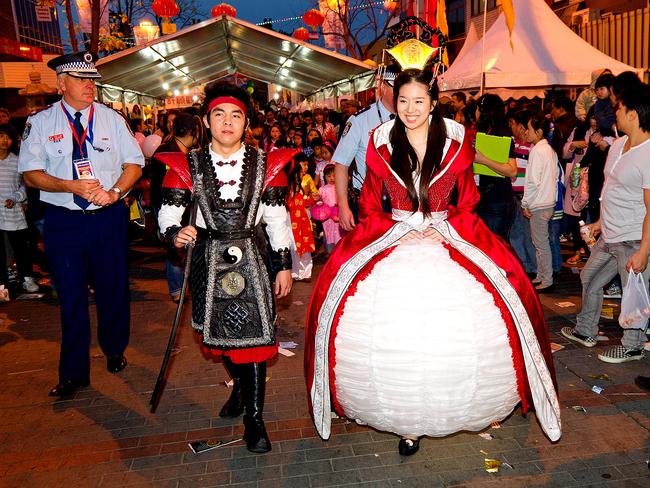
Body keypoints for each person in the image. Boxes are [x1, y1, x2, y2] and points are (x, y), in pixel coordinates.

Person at [305, 51, 560, 458]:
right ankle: (408, 425)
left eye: (419, 101)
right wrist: (396, 230)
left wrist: (443, 228)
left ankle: (453, 408)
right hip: (395, 240)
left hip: (447, 235)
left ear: (433, 101)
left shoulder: (458, 142)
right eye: (403, 100)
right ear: (394, 99)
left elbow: (468, 201)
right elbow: (371, 203)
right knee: (394, 335)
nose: (410, 109)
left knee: (476, 317)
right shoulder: (379, 140)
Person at [157, 81, 294, 453]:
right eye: (220, 114)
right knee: (218, 342)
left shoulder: (269, 165)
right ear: (207, 120)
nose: (228, 122)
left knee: (253, 342)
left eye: (236, 115)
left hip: (251, 258)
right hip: (206, 261)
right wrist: (175, 233)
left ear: (245, 121)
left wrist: (283, 265)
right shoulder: (186, 164)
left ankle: (254, 419)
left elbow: (278, 220)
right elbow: (168, 213)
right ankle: (240, 392)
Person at [18, 51, 144, 397]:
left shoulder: (112, 120)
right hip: (64, 221)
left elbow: (134, 164)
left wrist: (116, 192)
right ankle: (74, 372)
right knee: (70, 296)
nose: (90, 86)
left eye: (93, 81)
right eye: (82, 80)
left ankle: (115, 348)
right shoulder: (41, 123)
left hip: (107, 217)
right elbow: (30, 175)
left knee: (113, 288)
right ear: (61, 84)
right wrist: (69, 185)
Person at [562, 83, 650, 364]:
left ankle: (633, 345)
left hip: (633, 236)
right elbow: (612, 188)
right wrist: (599, 221)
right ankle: (586, 329)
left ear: (634, 114)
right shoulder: (620, 144)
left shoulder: (648, 154)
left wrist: (644, 251)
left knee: (632, 293)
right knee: (589, 278)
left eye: (620, 109)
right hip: (609, 233)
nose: (615, 114)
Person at [334, 66, 397, 231]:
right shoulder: (360, 120)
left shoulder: (410, 117)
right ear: (382, 86)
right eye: (395, 88)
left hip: (403, 202)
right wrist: (343, 206)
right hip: (370, 202)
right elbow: (341, 165)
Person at [152, 113, 200, 302]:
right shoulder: (165, 153)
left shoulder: (191, 154)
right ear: (191, 132)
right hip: (166, 207)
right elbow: (156, 186)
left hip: (186, 209)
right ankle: (177, 288)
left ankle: (186, 284)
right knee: (174, 248)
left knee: (186, 247)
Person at [521, 112, 560, 293]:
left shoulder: (537, 151)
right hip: (548, 202)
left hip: (539, 203)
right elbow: (558, 176)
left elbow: (532, 182)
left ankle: (547, 279)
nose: (526, 132)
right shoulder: (549, 150)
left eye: (528, 129)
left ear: (538, 131)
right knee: (541, 242)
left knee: (541, 243)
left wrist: (525, 203)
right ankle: (543, 276)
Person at [0, 124, 39, 294]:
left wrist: (16, 198)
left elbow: (25, 185)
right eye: (1, 136)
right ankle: (2, 284)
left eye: (8, 137)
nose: (5, 140)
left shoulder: (17, 161)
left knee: (21, 247)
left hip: (13, 211)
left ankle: (26, 278)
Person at [474, 94, 518, 240]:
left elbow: (512, 171)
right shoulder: (484, 133)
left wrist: (483, 160)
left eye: (477, 108)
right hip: (484, 197)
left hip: (498, 200)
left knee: (496, 245)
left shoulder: (502, 135)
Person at [507, 109, 537, 276]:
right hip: (513, 195)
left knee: (528, 234)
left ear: (521, 126)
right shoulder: (510, 142)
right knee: (516, 233)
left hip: (526, 197)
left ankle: (533, 267)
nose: (511, 128)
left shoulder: (533, 146)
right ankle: (524, 266)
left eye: (512, 124)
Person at [286, 160, 317, 281]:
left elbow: (301, 203)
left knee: (305, 247)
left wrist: (311, 199)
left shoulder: (299, 188)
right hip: (292, 222)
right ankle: (296, 272)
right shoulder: (288, 189)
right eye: (299, 173)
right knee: (294, 247)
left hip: (302, 221)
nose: (301, 175)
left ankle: (306, 272)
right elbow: (291, 205)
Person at [318, 164, 342, 254]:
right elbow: (319, 202)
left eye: (334, 176)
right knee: (328, 234)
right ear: (324, 177)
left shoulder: (339, 187)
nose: (332, 178)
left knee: (339, 233)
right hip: (327, 218)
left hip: (338, 215)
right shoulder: (322, 189)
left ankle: (340, 251)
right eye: (329, 176)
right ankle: (331, 253)